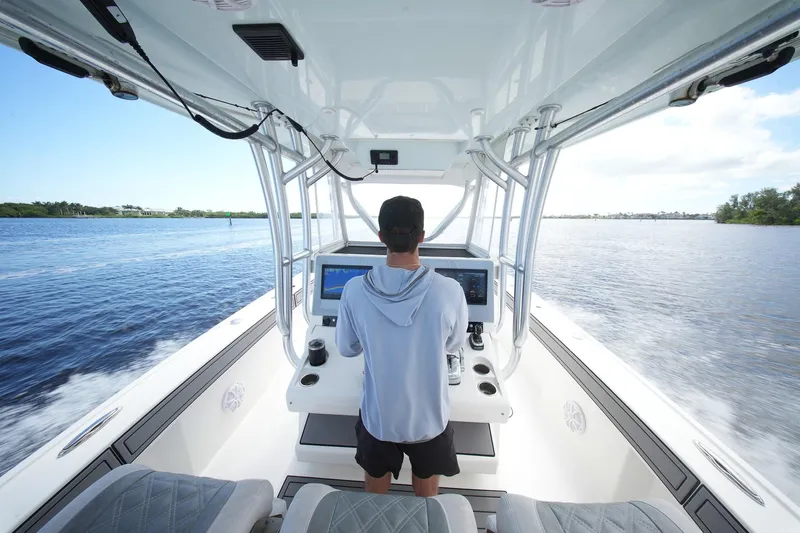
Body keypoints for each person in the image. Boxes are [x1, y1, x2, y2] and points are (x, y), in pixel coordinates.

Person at [335, 196, 469, 497]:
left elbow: (346, 348)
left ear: (381, 236)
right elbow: (454, 344)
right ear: (421, 236)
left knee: (374, 492)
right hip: (429, 420)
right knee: (427, 494)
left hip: (379, 419)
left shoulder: (353, 290)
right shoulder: (450, 290)